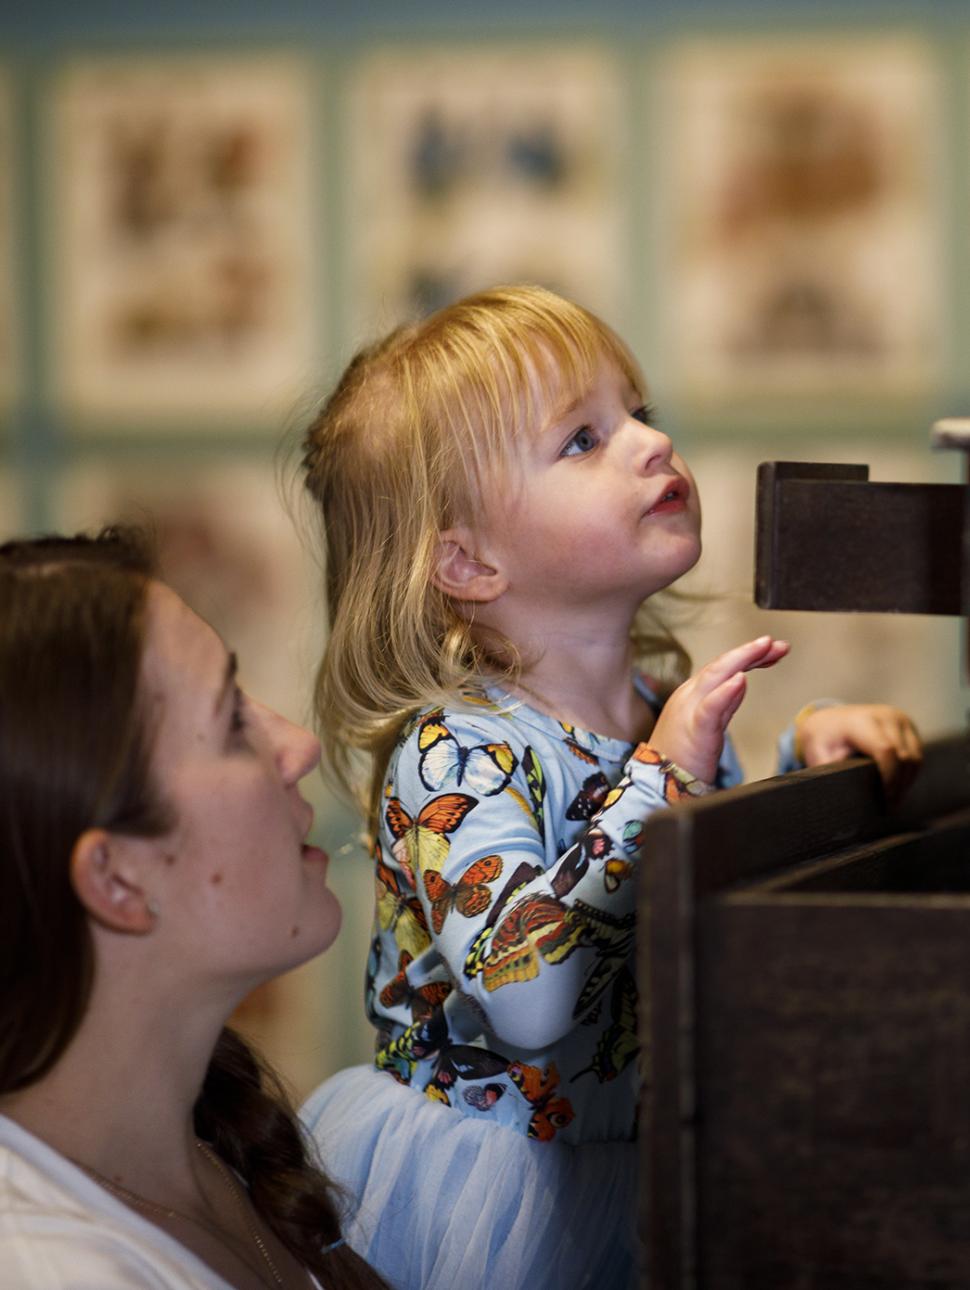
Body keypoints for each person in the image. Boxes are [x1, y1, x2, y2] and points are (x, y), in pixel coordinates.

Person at [298, 285, 922, 1289]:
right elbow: (533, 1004)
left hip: (647, 1155)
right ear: (469, 560)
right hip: (508, 1193)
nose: (648, 443)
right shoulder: (453, 756)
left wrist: (809, 771)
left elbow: (699, 891)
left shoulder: (649, 706)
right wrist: (665, 773)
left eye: (641, 411)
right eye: (582, 439)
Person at [0, 527, 388, 1290]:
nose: (298, 745)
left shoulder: (212, 1138)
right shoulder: (56, 1269)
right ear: (117, 879)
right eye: (232, 722)